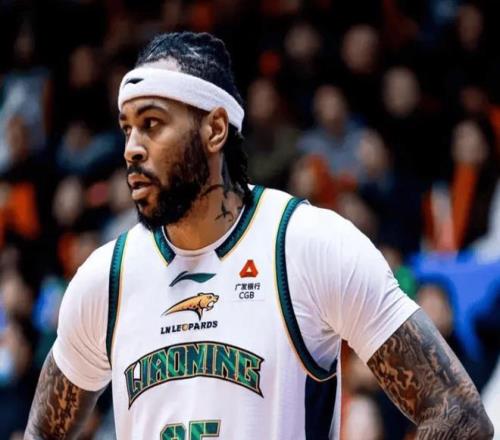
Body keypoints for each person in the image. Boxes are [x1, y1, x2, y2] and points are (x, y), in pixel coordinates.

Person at [24, 32, 493, 440]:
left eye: (152, 124)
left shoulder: (306, 245)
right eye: (127, 129)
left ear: (214, 129)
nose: (131, 149)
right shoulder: (106, 278)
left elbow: (457, 412)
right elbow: (42, 431)